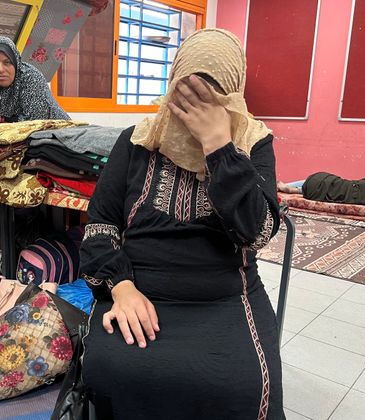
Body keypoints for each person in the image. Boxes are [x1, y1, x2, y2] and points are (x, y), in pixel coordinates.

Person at [79, 29, 284, 419]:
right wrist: (121, 289)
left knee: (245, 382)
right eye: (186, 92)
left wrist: (220, 147)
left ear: (234, 95)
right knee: (113, 370)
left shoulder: (253, 142)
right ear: (172, 86)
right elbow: (100, 226)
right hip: (140, 291)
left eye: (212, 94)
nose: (195, 106)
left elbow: (254, 233)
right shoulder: (137, 141)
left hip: (225, 296)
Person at [0, 36, 70, 123]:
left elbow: (34, 123)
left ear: (16, 62)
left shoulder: (30, 77)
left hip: (59, 137)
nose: (0, 69)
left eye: (7, 62)